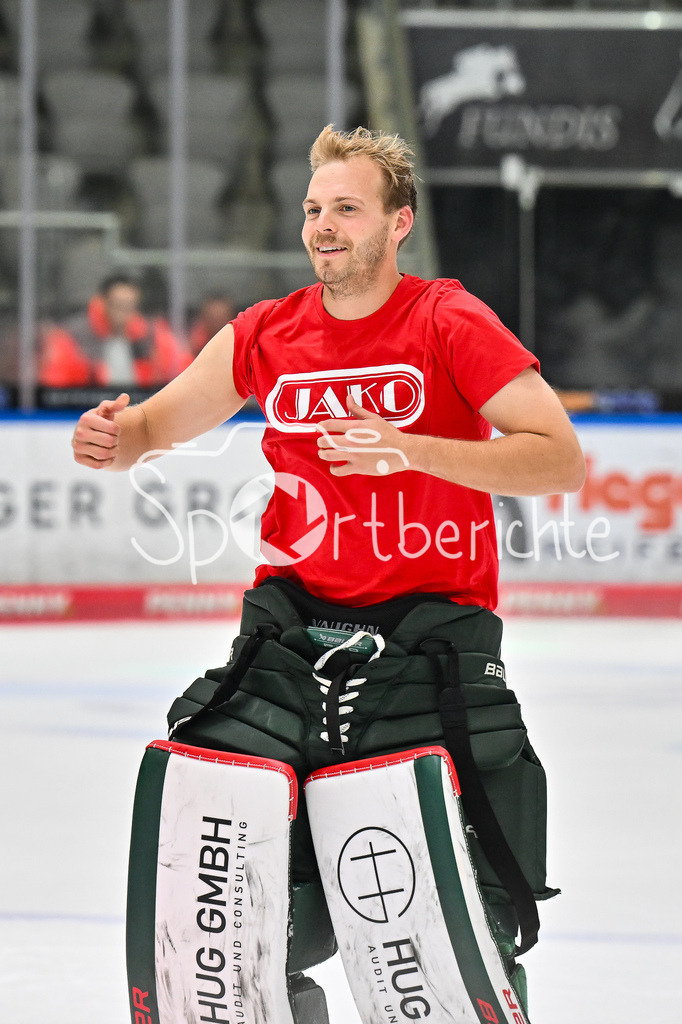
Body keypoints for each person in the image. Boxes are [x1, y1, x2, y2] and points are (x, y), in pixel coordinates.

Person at [72, 126, 585, 1024]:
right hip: (287, 641)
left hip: (430, 644)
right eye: (314, 209)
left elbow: (559, 460)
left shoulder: (446, 319)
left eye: (347, 208)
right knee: (224, 911)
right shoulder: (266, 333)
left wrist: (412, 453)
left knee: (453, 919)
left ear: (399, 225)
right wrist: (117, 440)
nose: (324, 226)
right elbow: (155, 427)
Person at [40, 272, 187, 388]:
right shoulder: (74, 338)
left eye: (129, 307)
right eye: (117, 305)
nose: (123, 314)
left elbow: (184, 372)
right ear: (102, 303)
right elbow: (56, 385)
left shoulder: (152, 337)